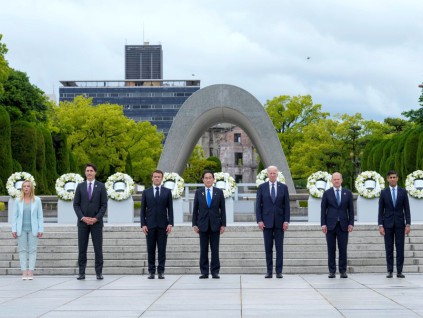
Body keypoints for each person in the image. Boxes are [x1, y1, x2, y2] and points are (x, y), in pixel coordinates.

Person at [73, 163, 108, 280]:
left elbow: (104, 205)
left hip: (96, 223)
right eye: (87, 171)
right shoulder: (80, 186)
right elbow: (76, 205)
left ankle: (99, 272)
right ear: (85, 172)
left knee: (98, 248)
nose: (89, 173)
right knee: (82, 248)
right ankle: (81, 273)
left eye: (91, 171)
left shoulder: (101, 186)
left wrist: (96, 218)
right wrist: (82, 218)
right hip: (83, 223)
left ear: (95, 173)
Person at [256, 165, 290, 278]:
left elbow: (287, 206)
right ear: (267, 174)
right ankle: (269, 271)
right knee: (268, 248)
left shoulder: (283, 187)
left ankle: (279, 271)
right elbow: (258, 205)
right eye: (270, 173)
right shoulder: (262, 187)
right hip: (266, 222)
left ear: (277, 174)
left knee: (279, 248)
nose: (272, 175)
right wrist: (259, 220)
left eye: (274, 173)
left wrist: (286, 221)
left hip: (280, 223)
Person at [192, 170, 226, 279]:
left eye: (210, 177)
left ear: (213, 179)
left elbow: (223, 210)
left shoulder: (218, 192)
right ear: (203, 180)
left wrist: (223, 224)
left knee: (215, 249)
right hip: (202, 225)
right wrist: (194, 224)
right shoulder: (199, 192)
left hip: (216, 224)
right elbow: (195, 209)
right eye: (206, 178)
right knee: (203, 249)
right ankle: (204, 272)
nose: (208, 180)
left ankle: (215, 271)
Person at [141, 170, 174, 279]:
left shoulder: (167, 192)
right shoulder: (146, 192)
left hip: (163, 226)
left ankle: (161, 271)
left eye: (159, 177)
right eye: (155, 177)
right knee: (150, 249)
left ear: (162, 178)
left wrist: (170, 223)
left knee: (162, 250)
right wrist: (143, 224)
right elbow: (142, 210)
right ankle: (151, 271)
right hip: (149, 226)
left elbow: (170, 209)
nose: (157, 178)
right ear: (152, 178)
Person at [378, 170, 411, 278]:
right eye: (390, 177)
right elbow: (380, 210)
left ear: (397, 178)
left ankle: (399, 271)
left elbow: (407, 209)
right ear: (387, 179)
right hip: (387, 224)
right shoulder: (384, 192)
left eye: (394, 177)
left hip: (400, 224)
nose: (392, 179)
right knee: (389, 248)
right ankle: (390, 271)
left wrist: (408, 224)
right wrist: (380, 225)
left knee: (400, 248)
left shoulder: (403, 192)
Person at [321, 172, 354, 278]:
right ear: (331, 181)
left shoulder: (347, 193)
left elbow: (351, 210)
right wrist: (323, 224)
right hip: (330, 225)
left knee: (343, 249)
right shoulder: (327, 193)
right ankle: (332, 271)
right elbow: (323, 210)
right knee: (331, 249)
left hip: (343, 225)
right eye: (334, 179)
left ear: (341, 180)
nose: (336, 181)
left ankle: (343, 271)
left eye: (338, 179)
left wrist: (351, 223)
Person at [11, 180, 44, 280]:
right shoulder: (18, 201)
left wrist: (40, 229)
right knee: (22, 250)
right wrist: (14, 229)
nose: (26, 188)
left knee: (33, 250)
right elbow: (15, 216)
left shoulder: (37, 200)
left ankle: (30, 271)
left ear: (31, 188)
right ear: (22, 188)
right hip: (21, 229)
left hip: (33, 229)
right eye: (24, 186)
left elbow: (40, 216)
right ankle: (24, 272)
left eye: (28, 186)